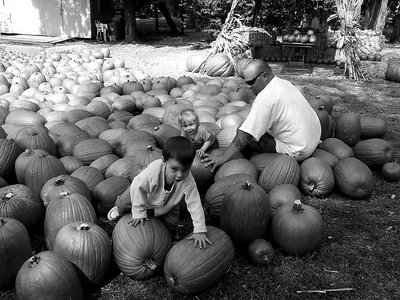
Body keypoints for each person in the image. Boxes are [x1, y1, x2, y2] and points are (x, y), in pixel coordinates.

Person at [202, 59, 321, 172]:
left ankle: (250, 160)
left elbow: (245, 135)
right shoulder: (283, 83)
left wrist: (223, 157)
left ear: (264, 76)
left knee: (242, 130)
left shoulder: (265, 98)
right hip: (313, 139)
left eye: (251, 82)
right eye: (246, 82)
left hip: (298, 151)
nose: (249, 87)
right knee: (253, 127)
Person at [107, 136, 211, 249]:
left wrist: (200, 230)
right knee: (124, 202)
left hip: (168, 203)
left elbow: (195, 204)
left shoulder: (188, 181)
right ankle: (119, 210)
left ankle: (170, 238)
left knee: (171, 222)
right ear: (164, 162)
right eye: (174, 169)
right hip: (144, 194)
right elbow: (138, 186)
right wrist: (138, 212)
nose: (180, 175)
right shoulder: (154, 171)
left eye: (185, 169)